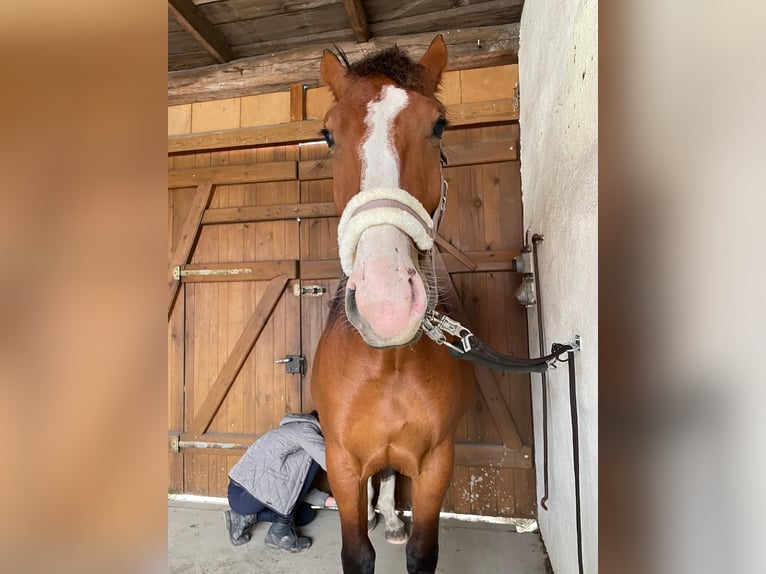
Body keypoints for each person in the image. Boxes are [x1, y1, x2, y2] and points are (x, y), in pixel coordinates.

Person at [224, 411, 336, 552]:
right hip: (244, 495)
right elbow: (331, 464)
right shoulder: (304, 430)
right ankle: (279, 535)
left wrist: (325, 500)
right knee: (314, 462)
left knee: (305, 515)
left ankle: (242, 517)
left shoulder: (295, 436)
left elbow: (295, 483)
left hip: (243, 496)